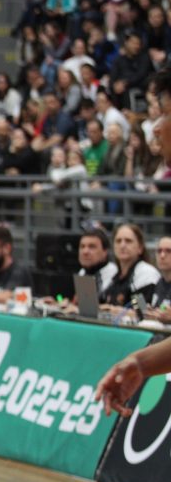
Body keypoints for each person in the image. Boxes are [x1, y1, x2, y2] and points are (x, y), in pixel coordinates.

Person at [96, 68, 171, 418]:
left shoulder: (145, 275)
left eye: (163, 113)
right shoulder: (110, 273)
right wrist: (141, 363)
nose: (154, 128)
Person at [102, 223, 160, 308]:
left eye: (128, 241)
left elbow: (142, 310)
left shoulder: (146, 274)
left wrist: (114, 310)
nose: (122, 245)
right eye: (118, 241)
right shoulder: (113, 276)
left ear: (140, 248)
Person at [76, 228, 117, 300]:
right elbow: (87, 304)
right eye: (82, 246)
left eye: (92, 247)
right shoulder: (82, 273)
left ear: (105, 251)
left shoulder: (116, 274)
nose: (85, 251)